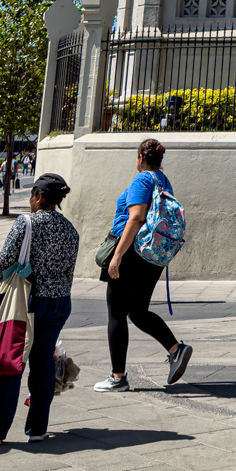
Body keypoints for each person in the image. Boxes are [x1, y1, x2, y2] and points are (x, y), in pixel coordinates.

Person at [0, 172, 78, 447]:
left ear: (38, 196)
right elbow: (68, 271)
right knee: (43, 364)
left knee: (12, 363)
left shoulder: (26, 223)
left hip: (27, 302)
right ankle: (37, 429)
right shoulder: (70, 229)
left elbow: (4, 261)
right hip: (59, 302)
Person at [95, 138, 192, 392]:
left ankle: (118, 377)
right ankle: (175, 349)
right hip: (154, 255)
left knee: (116, 313)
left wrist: (117, 255)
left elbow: (136, 218)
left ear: (140, 157)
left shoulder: (142, 179)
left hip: (133, 251)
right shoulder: (163, 181)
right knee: (137, 311)